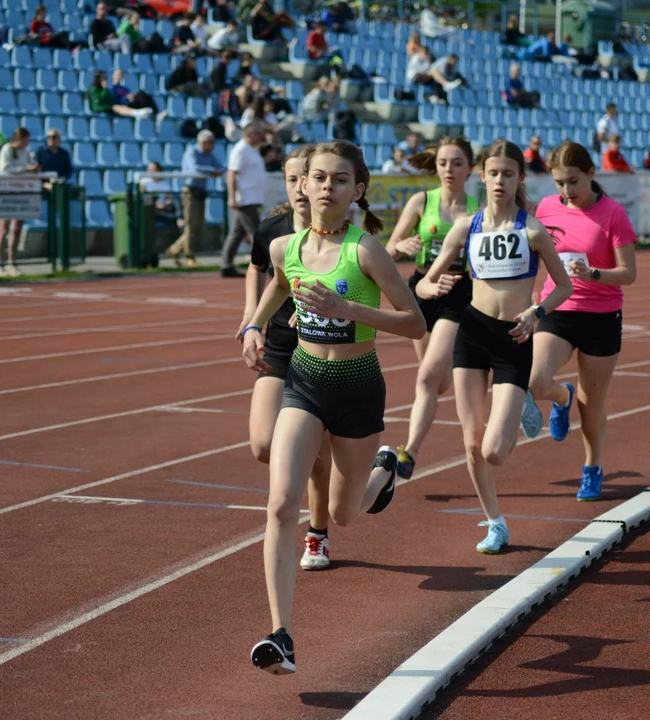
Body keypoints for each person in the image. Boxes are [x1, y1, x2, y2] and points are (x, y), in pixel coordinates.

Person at [241, 140, 427, 674]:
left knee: (346, 512)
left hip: (357, 384)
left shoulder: (366, 250)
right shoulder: (286, 247)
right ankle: (281, 635)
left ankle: (382, 472)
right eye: (318, 178)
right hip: (303, 381)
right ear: (303, 185)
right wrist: (255, 324)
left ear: (357, 191)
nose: (326, 187)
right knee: (280, 504)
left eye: (339, 180)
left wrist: (346, 307)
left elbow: (414, 321)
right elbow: (279, 285)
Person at [414, 139, 571, 553]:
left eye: (509, 173)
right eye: (494, 173)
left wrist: (537, 312)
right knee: (471, 442)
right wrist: (432, 285)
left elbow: (565, 286)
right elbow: (426, 279)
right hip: (473, 332)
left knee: (495, 452)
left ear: (519, 178)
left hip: (515, 337)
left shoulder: (532, 229)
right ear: (481, 176)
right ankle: (495, 522)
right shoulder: (467, 226)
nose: (500, 180)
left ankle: (524, 401)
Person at [237, 145, 336, 571]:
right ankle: (307, 453)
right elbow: (258, 269)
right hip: (280, 341)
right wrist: (250, 320)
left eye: (306, 178)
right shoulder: (273, 229)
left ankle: (316, 535)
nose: (300, 188)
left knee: (317, 452)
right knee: (262, 443)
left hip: (323, 346)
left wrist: (315, 305)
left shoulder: (338, 233)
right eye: (293, 179)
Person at [525, 141, 638, 502]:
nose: (566, 191)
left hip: (602, 317)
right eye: (559, 183)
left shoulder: (613, 213)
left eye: (573, 181)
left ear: (591, 174)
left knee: (592, 405)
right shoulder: (545, 209)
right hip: (557, 310)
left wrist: (592, 274)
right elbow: (534, 256)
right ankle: (561, 397)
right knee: (535, 380)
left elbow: (629, 273)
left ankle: (592, 468)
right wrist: (532, 296)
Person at [384, 137, 479, 479]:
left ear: (470, 167)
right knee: (437, 384)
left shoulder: (477, 208)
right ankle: (454, 365)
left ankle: (408, 453)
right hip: (421, 291)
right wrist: (401, 245)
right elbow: (389, 249)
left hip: (457, 291)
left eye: (456, 163)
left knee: (425, 378)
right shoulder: (422, 201)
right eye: (443, 163)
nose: (449, 170)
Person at [167, 130, 224, 267]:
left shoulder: (210, 155)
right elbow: (194, 169)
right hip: (190, 192)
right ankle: (189, 256)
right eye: (209, 143)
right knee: (191, 225)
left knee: (198, 226)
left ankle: (174, 249)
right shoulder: (192, 152)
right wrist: (212, 171)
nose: (211, 147)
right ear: (202, 142)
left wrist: (214, 171)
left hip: (201, 191)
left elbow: (221, 167)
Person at [220, 122, 267, 278]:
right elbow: (232, 174)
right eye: (257, 133)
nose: (260, 136)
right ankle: (268, 264)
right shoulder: (240, 150)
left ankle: (226, 265)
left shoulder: (251, 150)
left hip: (251, 198)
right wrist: (232, 197)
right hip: (245, 199)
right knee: (257, 232)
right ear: (248, 134)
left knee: (237, 233)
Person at [0, 127, 40, 278]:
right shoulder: (7, 149)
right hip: (6, 193)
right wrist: (25, 168)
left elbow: (28, 166)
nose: (27, 144)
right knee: (3, 229)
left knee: (17, 229)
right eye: (25, 140)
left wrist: (33, 168)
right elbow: (5, 169)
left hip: (21, 192)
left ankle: (12, 262)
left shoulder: (26, 152)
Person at [87, 70, 153, 118]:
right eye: (103, 78)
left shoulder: (124, 88)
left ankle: (152, 113)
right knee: (116, 107)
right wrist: (105, 89)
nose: (105, 80)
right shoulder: (99, 88)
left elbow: (109, 98)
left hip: (123, 104)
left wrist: (130, 97)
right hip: (101, 107)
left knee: (141, 94)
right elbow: (100, 100)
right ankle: (137, 113)